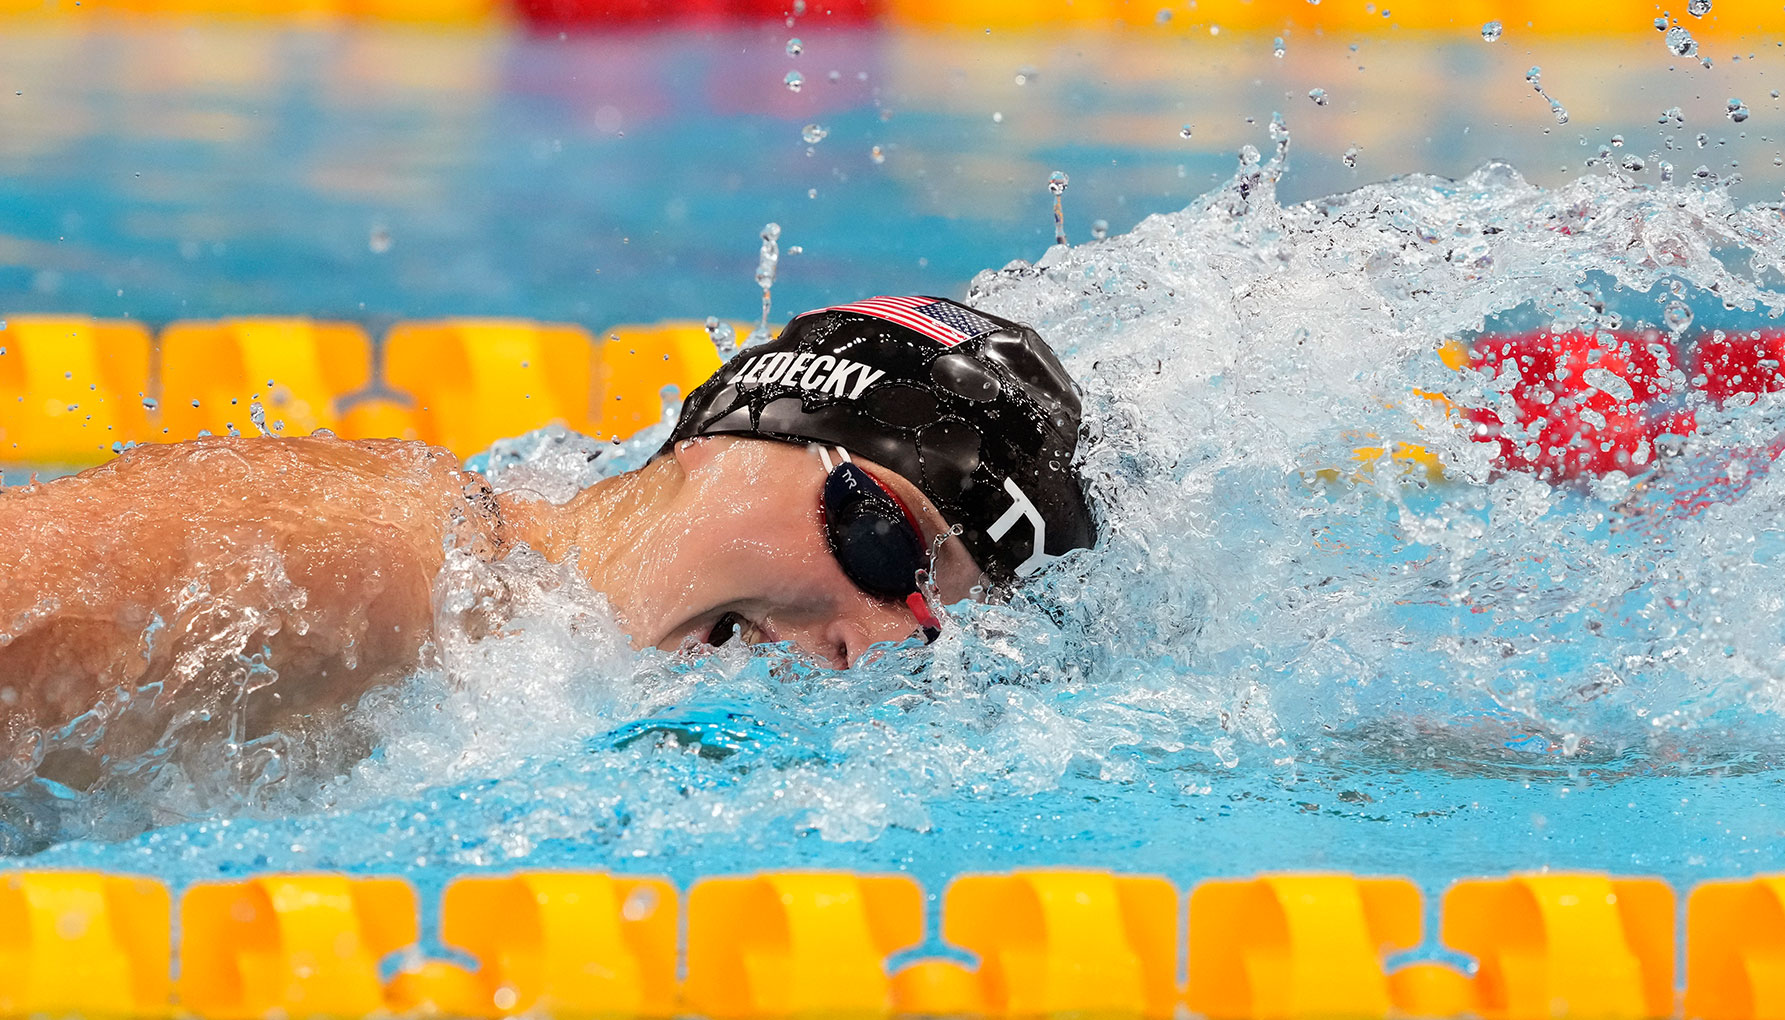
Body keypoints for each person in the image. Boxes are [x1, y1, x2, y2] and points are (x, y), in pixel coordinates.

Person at [0, 296, 1096, 790]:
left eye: (928, 626)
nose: (868, 645)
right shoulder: (372, 562)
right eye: (882, 541)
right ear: (736, 434)